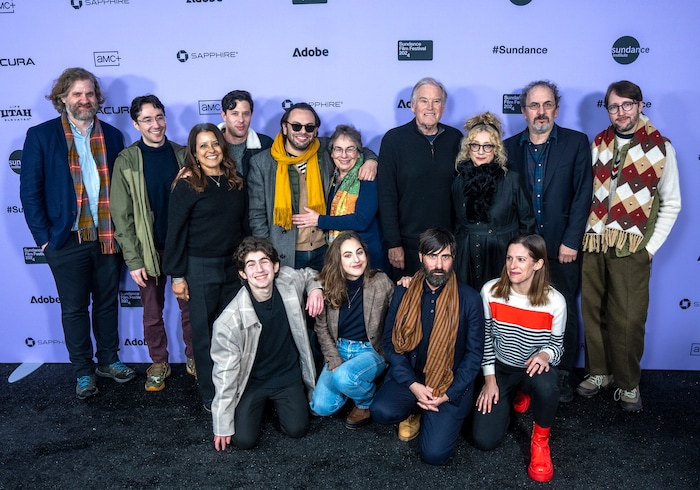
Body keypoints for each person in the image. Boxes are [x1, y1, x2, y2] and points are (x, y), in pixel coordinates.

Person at [19, 67, 136, 399]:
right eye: (77, 94)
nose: (84, 100)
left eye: (89, 94)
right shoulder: (41, 136)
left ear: (97, 98)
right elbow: (30, 193)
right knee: (73, 309)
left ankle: (109, 361)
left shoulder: (113, 136)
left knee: (106, 304)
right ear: (62, 98)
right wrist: (45, 239)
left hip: (106, 237)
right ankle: (83, 371)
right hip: (65, 240)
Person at [577, 80, 681, 412]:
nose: (621, 113)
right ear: (607, 110)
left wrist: (650, 247)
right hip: (594, 242)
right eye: (613, 106)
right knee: (593, 311)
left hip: (632, 247)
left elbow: (672, 204)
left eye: (627, 105)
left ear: (639, 105)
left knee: (628, 318)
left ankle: (627, 384)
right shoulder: (598, 144)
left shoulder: (661, 148)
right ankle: (598, 373)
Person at [505, 80, 592, 404]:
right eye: (533, 105)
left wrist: (572, 240)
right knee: (523, 314)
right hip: (523, 252)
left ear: (555, 108)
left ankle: (564, 375)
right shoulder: (509, 147)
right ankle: (523, 376)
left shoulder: (576, 143)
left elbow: (584, 194)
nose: (540, 112)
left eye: (546, 105)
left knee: (564, 311)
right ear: (524, 110)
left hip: (562, 248)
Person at [370, 228, 484, 466]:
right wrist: (413, 385)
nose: (439, 264)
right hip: (412, 376)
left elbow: (474, 356)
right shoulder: (404, 290)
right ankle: (414, 408)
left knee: (434, 455)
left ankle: (435, 414)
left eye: (446, 256)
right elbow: (390, 343)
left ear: (454, 258)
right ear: (421, 257)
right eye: (432, 256)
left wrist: (446, 395)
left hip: (448, 382)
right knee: (381, 411)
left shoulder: (470, 299)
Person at [110, 95, 195, 392]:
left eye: (159, 117)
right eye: (147, 119)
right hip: (148, 250)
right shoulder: (127, 160)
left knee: (190, 308)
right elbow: (121, 215)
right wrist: (133, 260)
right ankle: (159, 362)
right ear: (135, 124)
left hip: (182, 247)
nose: (155, 124)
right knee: (151, 311)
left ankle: (194, 358)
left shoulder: (184, 154)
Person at [163, 123, 251, 410]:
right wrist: (177, 276)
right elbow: (175, 232)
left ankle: (234, 383)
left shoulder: (235, 180)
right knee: (204, 333)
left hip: (232, 269)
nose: (210, 150)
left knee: (232, 331)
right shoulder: (186, 184)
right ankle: (210, 393)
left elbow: (243, 226)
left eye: (214, 143)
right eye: (203, 145)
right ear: (194, 152)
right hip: (199, 268)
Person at [211, 237, 323, 450]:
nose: (259, 269)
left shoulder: (288, 281)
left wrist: (316, 289)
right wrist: (221, 424)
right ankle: (258, 408)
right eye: (251, 264)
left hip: (287, 376)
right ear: (242, 274)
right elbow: (224, 375)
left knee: (297, 429)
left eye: (264, 261)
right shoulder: (228, 322)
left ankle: (279, 405)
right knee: (243, 441)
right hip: (253, 381)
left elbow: (311, 274)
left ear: (276, 266)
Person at [472, 234, 566, 483]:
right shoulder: (490, 291)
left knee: (547, 385)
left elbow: (557, 347)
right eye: (509, 258)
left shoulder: (555, 302)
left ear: (538, 264)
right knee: (484, 440)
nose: (513, 265)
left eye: (521, 259)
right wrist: (490, 380)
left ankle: (540, 441)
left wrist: (545, 355)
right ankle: (514, 394)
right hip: (501, 369)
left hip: (531, 370)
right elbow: (485, 339)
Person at [248, 102, 377, 271]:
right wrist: (267, 253)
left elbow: (353, 148)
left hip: (325, 251)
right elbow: (257, 215)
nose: (303, 132)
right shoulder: (262, 163)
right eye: (296, 126)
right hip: (285, 253)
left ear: (316, 131)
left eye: (309, 127)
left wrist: (371, 160)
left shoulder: (324, 150)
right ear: (284, 128)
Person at [378, 77, 462, 280]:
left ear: (443, 106)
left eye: (436, 101)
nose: (430, 107)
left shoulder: (456, 138)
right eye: (424, 101)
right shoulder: (393, 140)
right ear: (413, 105)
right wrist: (394, 243)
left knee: (445, 306)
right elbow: (386, 195)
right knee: (409, 305)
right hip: (407, 245)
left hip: (447, 245)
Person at [309, 231, 394, 429]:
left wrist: (406, 283)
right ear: (337, 260)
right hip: (340, 349)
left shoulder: (380, 281)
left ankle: (365, 402)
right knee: (321, 406)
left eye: (359, 252)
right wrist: (335, 361)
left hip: (371, 350)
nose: (356, 259)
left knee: (343, 377)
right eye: (347, 255)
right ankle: (354, 385)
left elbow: (400, 314)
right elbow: (321, 328)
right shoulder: (328, 286)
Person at [452, 112, 535, 292]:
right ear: (468, 148)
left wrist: (519, 259)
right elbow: (456, 223)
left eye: (487, 146)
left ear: (496, 149)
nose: (481, 152)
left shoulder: (512, 180)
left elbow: (527, 223)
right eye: (475, 146)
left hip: (501, 254)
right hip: (465, 257)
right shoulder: (458, 182)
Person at [292, 124, 389, 271]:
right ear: (331, 153)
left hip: (366, 257)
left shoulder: (367, 176)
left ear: (358, 153)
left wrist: (319, 220)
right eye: (338, 149)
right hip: (338, 255)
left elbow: (361, 221)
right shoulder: (332, 176)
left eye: (350, 149)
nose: (344, 155)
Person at [218, 89, 273, 178]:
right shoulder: (210, 145)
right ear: (224, 115)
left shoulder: (266, 144)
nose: (241, 120)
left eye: (246, 114)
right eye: (235, 114)